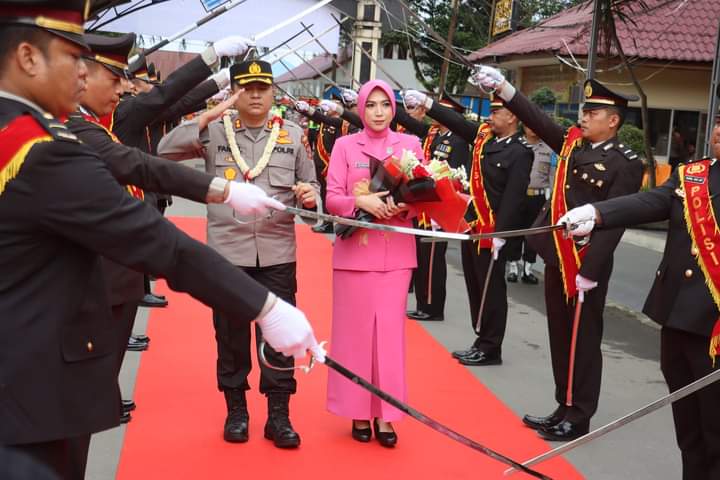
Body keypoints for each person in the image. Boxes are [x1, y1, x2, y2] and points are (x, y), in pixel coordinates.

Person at [0, 3, 320, 478]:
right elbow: (157, 241)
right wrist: (267, 310)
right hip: (29, 389)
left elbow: (139, 162)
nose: (83, 77)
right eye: (75, 58)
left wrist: (224, 188)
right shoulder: (39, 150)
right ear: (29, 57)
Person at [473, 67, 644, 440]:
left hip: (585, 264)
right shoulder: (572, 146)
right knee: (559, 336)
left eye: (592, 113)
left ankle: (579, 415)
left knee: (583, 341)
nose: (583, 117)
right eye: (584, 111)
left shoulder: (626, 162)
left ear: (613, 121)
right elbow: (537, 118)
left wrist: (592, 270)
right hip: (556, 256)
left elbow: (615, 221)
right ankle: (562, 405)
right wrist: (505, 87)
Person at [158, 60, 319, 448]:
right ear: (236, 93)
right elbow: (163, 151)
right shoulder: (214, 132)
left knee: (279, 337)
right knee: (229, 336)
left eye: (263, 87)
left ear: (273, 93)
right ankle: (237, 411)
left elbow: (311, 187)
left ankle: (278, 416)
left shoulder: (292, 136)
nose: (256, 95)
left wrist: (311, 197)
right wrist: (211, 112)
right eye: (247, 88)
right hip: (227, 255)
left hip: (278, 253)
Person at [559, 110, 720, 480]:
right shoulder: (693, 175)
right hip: (677, 316)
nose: (718, 132)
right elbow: (650, 202)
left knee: (716, 433)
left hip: (713, 327)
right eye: (719, 123)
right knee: (688, 430)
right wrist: (597, 213)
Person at [324, 79, 423, 447]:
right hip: (354, 257)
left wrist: (405, 205)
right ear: (361, 109)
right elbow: (332, 197)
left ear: (393, 109)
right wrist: (359, 202)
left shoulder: (410, 146)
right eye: (371, 105)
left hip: (395, 255)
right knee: (354, 338)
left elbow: (423, 193)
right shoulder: (345, 146)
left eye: (385, 105)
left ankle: (387, 414)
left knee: (389, 339)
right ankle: (358, 412)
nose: (378, 112)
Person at [403, 90, 533, 366]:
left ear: (511, 117)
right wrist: (429, 105)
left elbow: (514, 197)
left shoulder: (520, 152)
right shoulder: (487, 140)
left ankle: (490, 347)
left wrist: (501, 235)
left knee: (491, 290)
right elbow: (458, 123)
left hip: (493, 230)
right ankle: (480, 339)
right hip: (472, 224)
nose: (490, 116)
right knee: (476, 286)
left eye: (496, 112)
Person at [406, 95, 471, 322]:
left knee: (433, 258)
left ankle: (433, 307)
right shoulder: (438, 137)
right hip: (429, 202)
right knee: (424, 256)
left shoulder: (459, 140)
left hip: (442, 206)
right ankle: (424, 302)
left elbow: (459, 175)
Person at [505, 125, 553, 285]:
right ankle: (512, 266)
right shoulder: (515, 145)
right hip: (518, 195)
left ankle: (528, 268)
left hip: (538, 197)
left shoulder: (549, 148)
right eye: (528, 124)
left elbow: (553, 174)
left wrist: (552, 198)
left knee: (533, 234)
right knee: (515, 230)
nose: (532, 128)